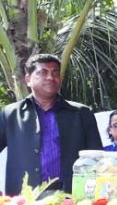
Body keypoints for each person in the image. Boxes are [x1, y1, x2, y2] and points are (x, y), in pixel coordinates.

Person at [0, 54, 102, 194]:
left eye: (55, 73)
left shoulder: (81, 113)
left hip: (71, 198)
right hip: (24, 199)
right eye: (43, 72)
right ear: (28, 79)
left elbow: (98, 158)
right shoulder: (10, 114)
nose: (50, 77)